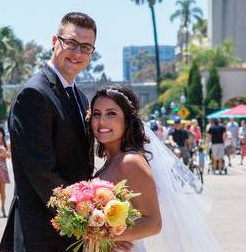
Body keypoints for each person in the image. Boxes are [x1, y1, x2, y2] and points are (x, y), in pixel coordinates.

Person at [0, 13, 132, 252]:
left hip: (71, 235)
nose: (77, 53)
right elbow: (42, 173)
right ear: (54, 41)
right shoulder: (34, 95)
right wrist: (90, 222)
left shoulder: (80, 97)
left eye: (85, 47)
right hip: (41, 233)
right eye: (70, 43)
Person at [91, 85, 219, 251]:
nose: (102, 121)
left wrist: (101, 234)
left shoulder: (130, 162)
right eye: (96, 114)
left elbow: (153, 223)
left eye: (111, 113)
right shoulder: (112, 161)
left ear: (127, 120)